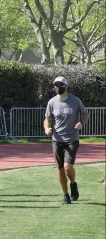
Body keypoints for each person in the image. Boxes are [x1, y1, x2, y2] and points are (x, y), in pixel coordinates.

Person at [44, 76, 89, 204]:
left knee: (68, 167)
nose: (58, 87)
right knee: (60, 169)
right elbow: (47, 118)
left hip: (72, 139)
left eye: (60, 85)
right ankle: (66, 195)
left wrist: (81, 123)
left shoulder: (75, 101)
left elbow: (85, 114)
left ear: (65, 86)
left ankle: (73, 184)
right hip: (57, 139)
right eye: (56, 85)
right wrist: (47, 127)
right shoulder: (52, 102)